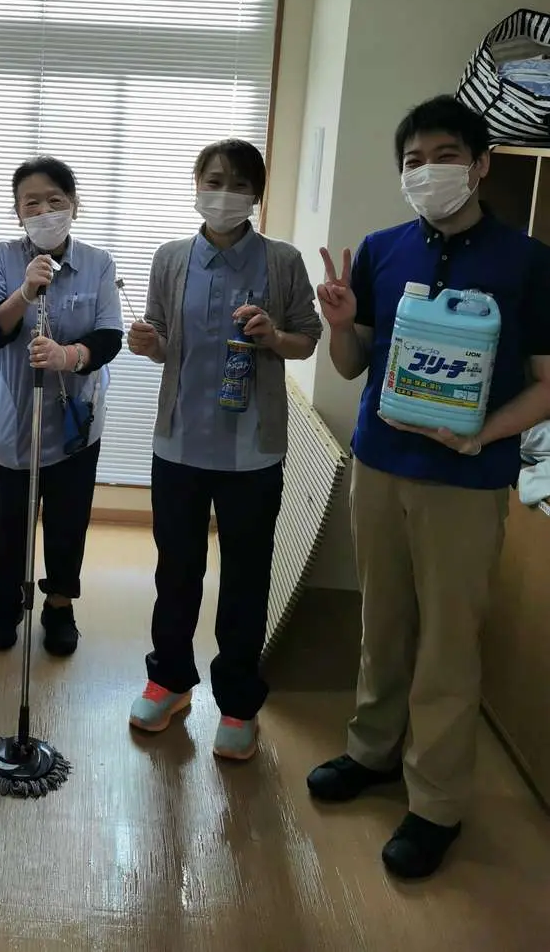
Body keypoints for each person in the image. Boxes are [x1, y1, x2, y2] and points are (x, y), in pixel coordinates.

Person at [308, 95, 550, 879]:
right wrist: (340, 323)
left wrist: (485, 432)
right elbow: (354, 364)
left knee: (449, 640)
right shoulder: (381, 250)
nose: (428, 171)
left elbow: (547, 382)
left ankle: (437, 802)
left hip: (467, 480)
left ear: (480, 164)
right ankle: (372, 750)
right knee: (382, 621)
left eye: (445, 155)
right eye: (413, 160)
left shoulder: (528, 262)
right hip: (380, 464)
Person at [126, 139, 321, 760]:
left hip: (251, 454)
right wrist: (148, 344)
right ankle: (169, 681)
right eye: (213, 180)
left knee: (246, 578)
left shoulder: (282, 261)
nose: (224, 193)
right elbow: (163, 343)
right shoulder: (170, 258)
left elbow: (307, 338)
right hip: (180, 444)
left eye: (238, 184)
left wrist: (274, 336)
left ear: (256, 195)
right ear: (195, 185)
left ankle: (238, 703)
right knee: (176, 571)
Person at [0, 157, 123, 656]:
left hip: (75, 421)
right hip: (13, 418)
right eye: (31, 203)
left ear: (74, 205)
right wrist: (24, 291)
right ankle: (5, 604)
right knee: (6, 524)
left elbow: (109, 336)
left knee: (67, 520)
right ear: (17, 211)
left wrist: (67, 356)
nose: (43, 211)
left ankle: (59, 605)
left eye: (55, 200)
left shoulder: (99, 263)